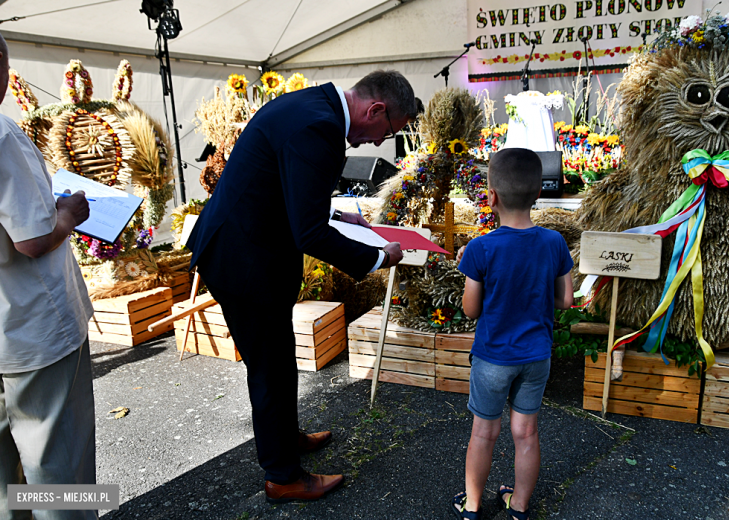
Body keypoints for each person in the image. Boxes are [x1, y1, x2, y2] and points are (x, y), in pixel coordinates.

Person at [187, 70, 417, 503]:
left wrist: (338, 215)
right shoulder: (320, 126)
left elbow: (284, 190)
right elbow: (307, 234)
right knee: (271, 368)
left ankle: (284, 438)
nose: (378, 142)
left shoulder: (313, 106)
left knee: (278, 358)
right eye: (387, 132)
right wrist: (376, 256)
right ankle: (282, 476)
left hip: (246, 249)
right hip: (244, 261)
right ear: (376, 109)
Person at [0, 33, 97, 520]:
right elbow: (32, 240)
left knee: (4, 477)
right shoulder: (1, 134)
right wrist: (68, 214)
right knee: (58, 466)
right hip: (30, 328)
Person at [451, 148, 574, 520]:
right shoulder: (554, 242)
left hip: (492, 358)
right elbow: (565, 299)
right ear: (539, 194)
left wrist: (468, 271)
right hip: (536, 356)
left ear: (491, 196)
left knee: (484, 433)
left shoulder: (481, 247)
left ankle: (472, 506)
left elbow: (471, 309)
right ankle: (518, 505)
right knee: (527, 433)